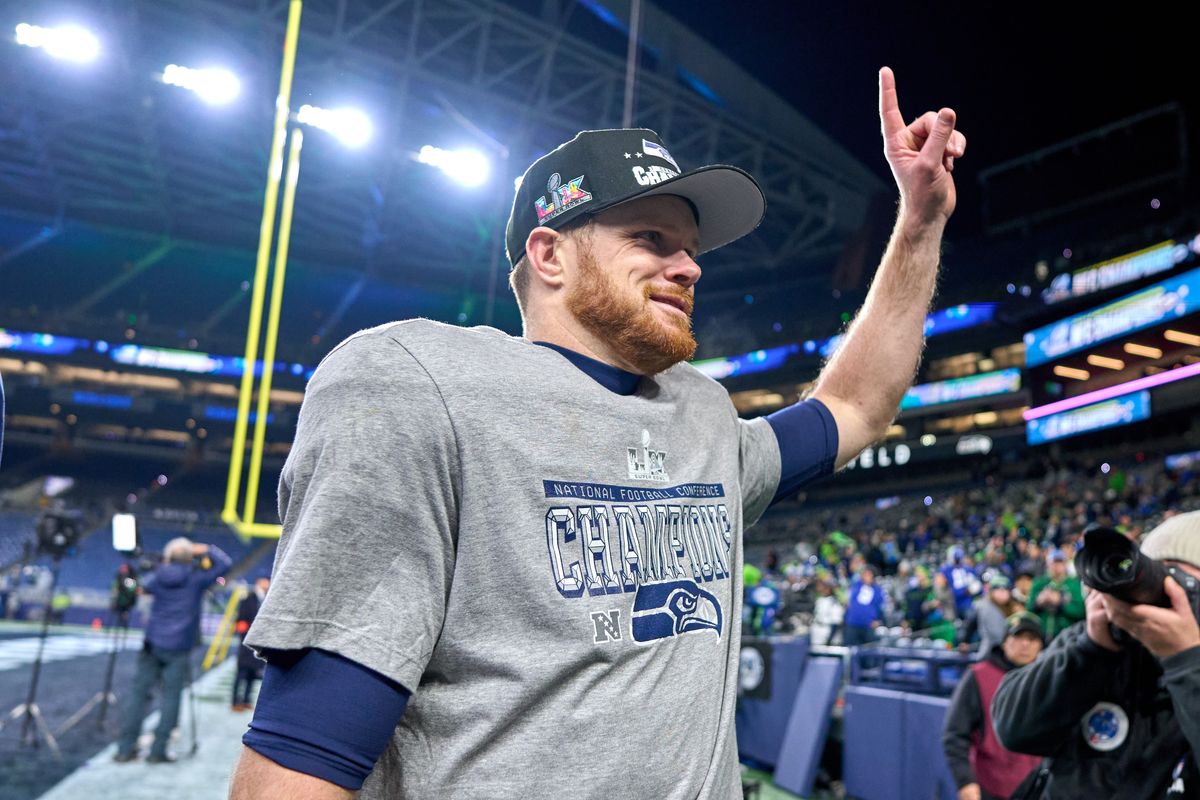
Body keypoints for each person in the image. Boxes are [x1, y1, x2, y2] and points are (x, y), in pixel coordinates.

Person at [230, 68, 967, 799]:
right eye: (651, 238)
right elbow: (305, 752)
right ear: (549, 255)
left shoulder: (704, 415)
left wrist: (920, 221)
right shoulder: (419, 385)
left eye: (691, 250)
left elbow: (859, 407)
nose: (688, 268)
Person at [992, 512, 1200, 798]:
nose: (1160, 598)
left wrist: (1186, 659)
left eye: (1185, 587)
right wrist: (1091, 650)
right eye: (1158, 579)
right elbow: (1012, 728)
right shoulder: (1102, 641)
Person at [115, 537, 231, 763]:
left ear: (169, 558)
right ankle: (157, 751)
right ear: (190, 558)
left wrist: (167, 560)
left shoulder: (158, 576)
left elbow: (141, 585)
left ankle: (125, 749)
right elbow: (224, 564)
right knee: (171, 698)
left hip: (152, 643)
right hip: (178, 646)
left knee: (139, 695)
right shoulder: (196, 579)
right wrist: (206, 547)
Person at [943, 613, 1045, 800]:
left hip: (1037, 789)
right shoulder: (979, 675)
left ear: (1040, 646)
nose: (1025, 644)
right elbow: (955, 735)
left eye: (1032, 639)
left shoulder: (1048, 680)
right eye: (1018, 637)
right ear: (1005, 641)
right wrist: (965, 782)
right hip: (990, 787)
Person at [1026, 548, 1084, 642]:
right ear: (1047, 564)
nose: (1056, 566)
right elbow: (1028, 609)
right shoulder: (1039, 583)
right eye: (1053, 562)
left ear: (1065, 564)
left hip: (1068, 636)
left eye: (1059, 562)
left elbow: (1081, 612)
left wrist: (1060, 603)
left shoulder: (1074, 585)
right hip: (1040, 635)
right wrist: (1038, 603)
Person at [232, 577, 270, 711]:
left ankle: (246, 700)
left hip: (259, 642)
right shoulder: (248, 598)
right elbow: (241, 621)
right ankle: (235, 701)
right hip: (247, 643)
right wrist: (246, 637)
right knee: (241, 673)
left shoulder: (267, 599)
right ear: (259, 582)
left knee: (253, 674)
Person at [962, 575, 1018, 655]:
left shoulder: (1015, 607)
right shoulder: (983, 606)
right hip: (989, 651)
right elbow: (971, 625)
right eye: (998, 589)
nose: (1002, 592)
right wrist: (965, 642)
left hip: (1011, 649)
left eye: (1005, 589)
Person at [844, 565, 886, 646]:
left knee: (868, 650)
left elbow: (881, 607)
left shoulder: (878, 590)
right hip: (853, 623)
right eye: (864, 574)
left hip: (868, 625)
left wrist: (878, 620)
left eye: (868, 574)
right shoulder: (856, 586)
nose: (866, 577)